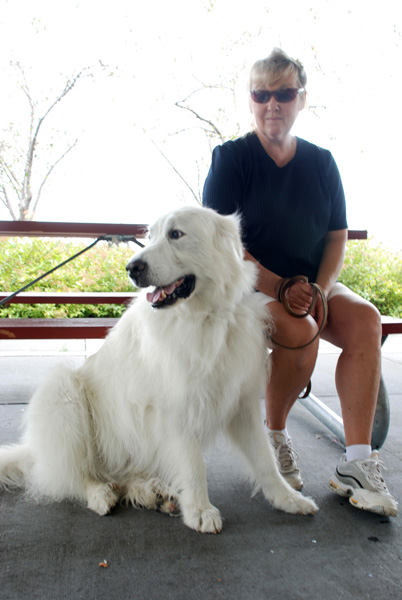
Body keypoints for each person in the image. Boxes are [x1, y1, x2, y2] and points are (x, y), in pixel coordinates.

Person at [202, 48, 397, 517]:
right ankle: (274, 435)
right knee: (300, 329)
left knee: (366, 320)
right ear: (251, 101)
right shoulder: (231, 159)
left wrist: (324, 288)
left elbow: (336, 234)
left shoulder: (322, 163)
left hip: (312, 284)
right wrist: (281, 286)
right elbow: (223, 244)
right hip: (247, 285)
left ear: (301, 99)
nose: (273, 104)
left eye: (284, 93)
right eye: (261, 94)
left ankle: (356, 462)